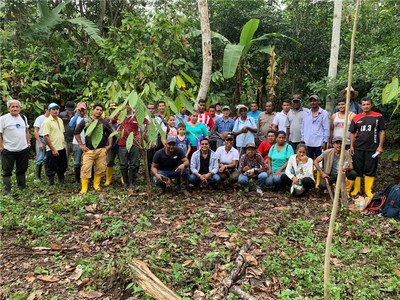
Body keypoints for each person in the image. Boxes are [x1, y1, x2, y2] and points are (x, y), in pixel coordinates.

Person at [349, 97, 386, 198]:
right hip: (358, 147)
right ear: (361, 106)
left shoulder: (378, 117)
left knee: (370, 169)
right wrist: (352, 146)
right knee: (357, 168)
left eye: (368, 104)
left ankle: (368, 190)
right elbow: (352, 133)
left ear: (371, 105)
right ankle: (356, 189)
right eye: (364, 104)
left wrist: (380, 146)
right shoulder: (356, 117)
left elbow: (382, 131)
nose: (366, 106)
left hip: (372, 148)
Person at [75, 104, 113, 194]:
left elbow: (110, 134)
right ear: (93, 110)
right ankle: (84, 187)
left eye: (100, 110)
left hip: (101, 150)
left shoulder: (104, 122)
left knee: (100, 168)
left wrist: (110, 145)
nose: (98, 111)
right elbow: (77, 132)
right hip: (89, 150)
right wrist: (81, 145)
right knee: (86, 168)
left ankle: (96, 185)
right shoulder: (86, 121)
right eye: (97, 109)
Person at [113, 104, 148, 189]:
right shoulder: (119, 115)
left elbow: (148, 123)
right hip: (122, 143)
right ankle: (125, 183)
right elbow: (110, 121)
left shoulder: (136, 115)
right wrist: (115, 133)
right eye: (125, 105)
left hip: (134, 143)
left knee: (133, 163)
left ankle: (131, 182)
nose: (127, 107)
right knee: (123, 164)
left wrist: (141, 135)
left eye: (129, 105)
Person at [0, 99, 30, 194]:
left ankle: (22, 187)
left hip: (22, 148)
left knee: (21, 169)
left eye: (17, 107)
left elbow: (27, 131)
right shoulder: (3, 119)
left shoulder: (23, 117)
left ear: (20, 108)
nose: (15, 108)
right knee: (7, 171)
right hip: (8, 149)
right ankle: (7, 191)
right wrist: (1, 146)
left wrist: (28, 143)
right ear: (9, 108)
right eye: (13, 107)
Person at [42, 103, 68, 185]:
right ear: (49, 111)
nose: (55, 111)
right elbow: (46, 136)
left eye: (57, 109)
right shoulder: (47, 122)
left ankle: (61, 180)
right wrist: (53, 149)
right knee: (51, 166)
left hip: (61, 146)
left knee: (62, 165)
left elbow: (62, 133)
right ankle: (51, 183)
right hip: (52, 148)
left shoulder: (60, 120)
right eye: (53, 109)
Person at [301, 95, 329, 160]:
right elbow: (303, 127)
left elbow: (326, 128)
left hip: (319, 143)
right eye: (311, 101)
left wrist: (325, 141)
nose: (313, 102)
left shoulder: (324, 113)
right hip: (307, 142)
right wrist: (302, 139)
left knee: (319, 163)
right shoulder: (306, 113)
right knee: (307, 162)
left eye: (315, 100)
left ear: (318, 101)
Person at [68, 102, 90, 183]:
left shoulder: (88, 118)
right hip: (77, 142)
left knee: (87, 160)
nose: (82, 111)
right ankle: (77, 179)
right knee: (77, 161)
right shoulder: (75, 118)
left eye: (83, 109)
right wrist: (77, 113)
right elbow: (71, 125)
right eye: (80, 109)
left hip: (87, 142)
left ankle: (87, 177)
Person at [104, 102, 120, 187]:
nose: (113, 110)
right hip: (110, 144)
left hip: (121, 144)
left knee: (123, 162)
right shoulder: (106, 120)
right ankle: (108, 179)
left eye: (115, 109)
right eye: (112, 109)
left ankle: (123, 179)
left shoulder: (122, 118)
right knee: (109, 161)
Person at [33, 104, 50, 181]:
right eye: (50, 109)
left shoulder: (53, 118)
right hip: (41, 138)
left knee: (48, 158)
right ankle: (37, 177)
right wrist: (39, 143)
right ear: (46, 110)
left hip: (49, 139)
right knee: (40, 157)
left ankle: (48, 174)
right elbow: (36, 131)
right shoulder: (40, 118)